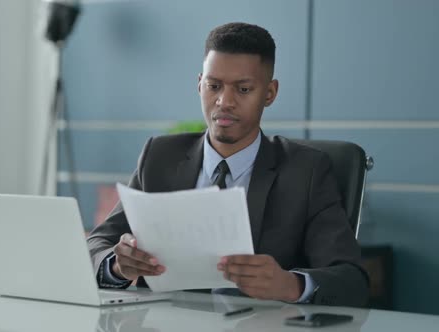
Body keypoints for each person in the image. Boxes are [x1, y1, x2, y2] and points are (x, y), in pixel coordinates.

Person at [87, 22, 369, 306]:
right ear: (199, 84)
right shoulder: (160, 156)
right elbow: (95, 246)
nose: (224, 101)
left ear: (269, 93)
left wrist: (291, 284)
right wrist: (117, 265)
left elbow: (351, 279)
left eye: (244, 89)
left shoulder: (306, 171)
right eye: (214, 86)